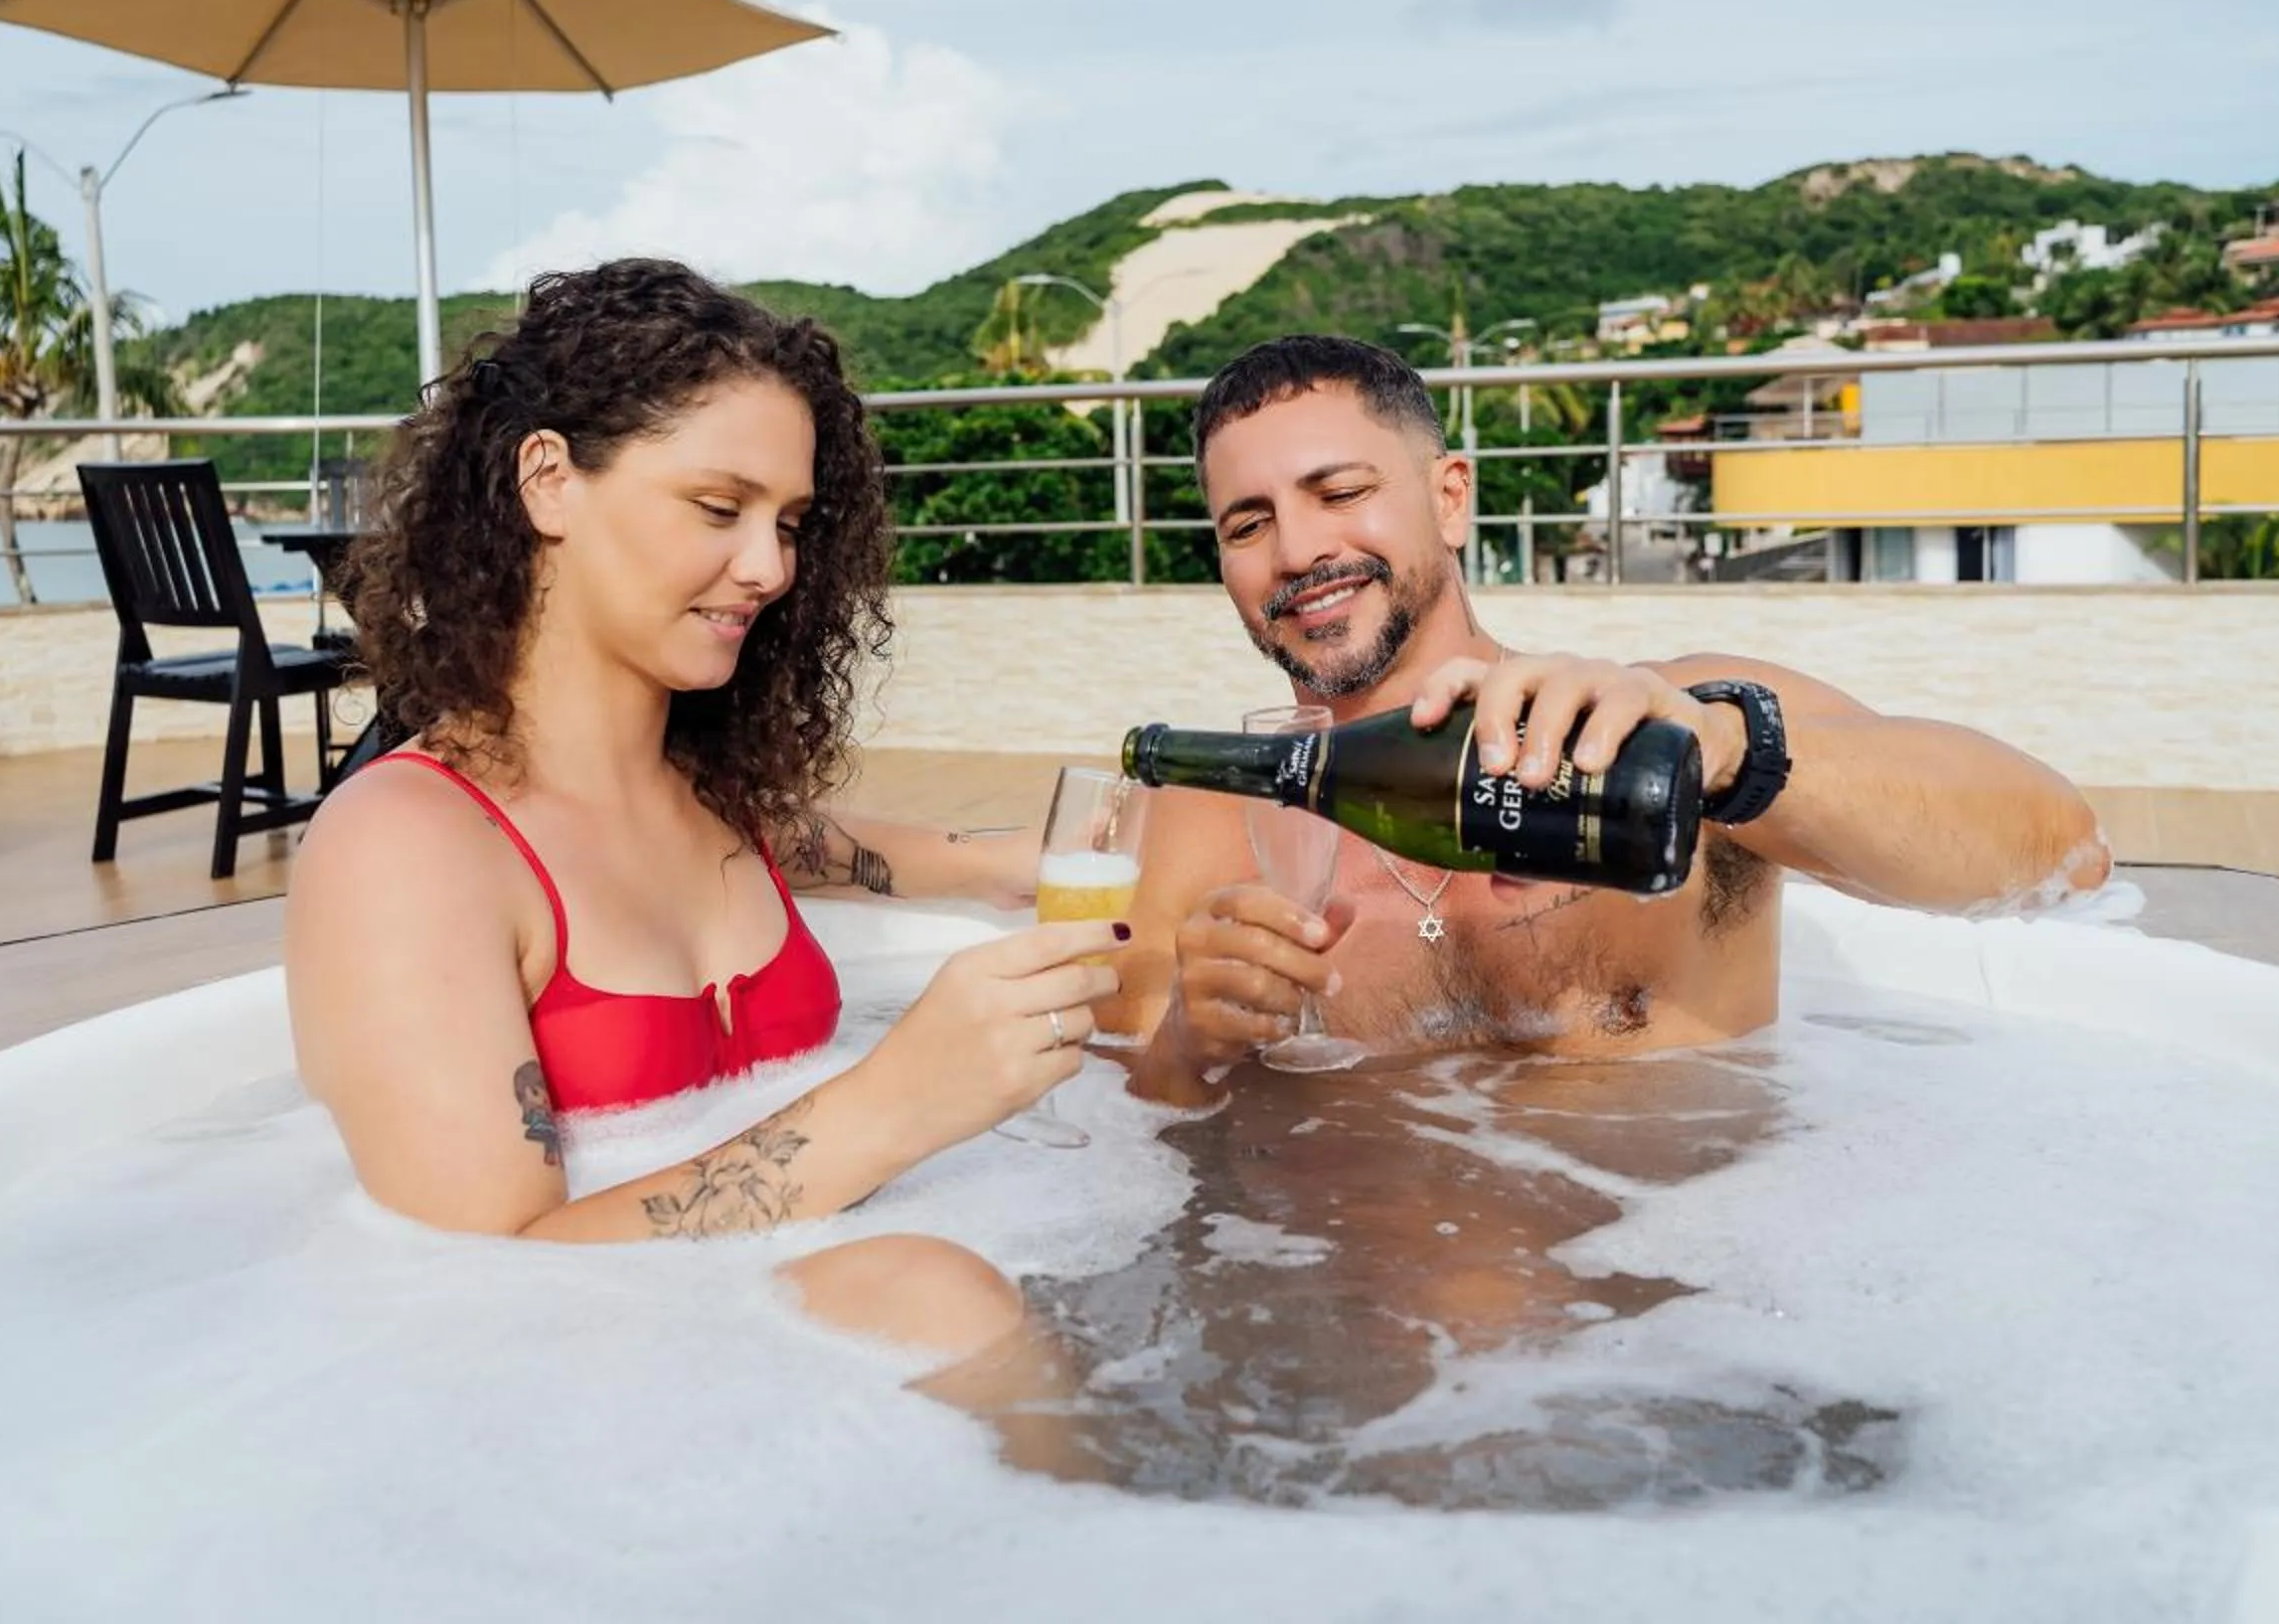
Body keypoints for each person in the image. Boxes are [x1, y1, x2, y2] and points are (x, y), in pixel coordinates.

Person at [285, 260, 1116, 1357]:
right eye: (720, 508)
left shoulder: (707, 797)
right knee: (936, 1293)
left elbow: (835, 845)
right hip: (592, 1383)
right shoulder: (407, 847)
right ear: (548, 480)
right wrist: (893, 1104)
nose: (769, 567)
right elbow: (474, 1285)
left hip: (768, 1335)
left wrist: (1010, 859)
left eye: (792, 522)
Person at [1112, 335, 2108, 1106]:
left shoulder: (1671, 725)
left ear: (1450, 497)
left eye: (1341, 491)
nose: (1299, 548)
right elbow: (1130, 1126)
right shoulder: (1207, 826)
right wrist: (1185, 1047)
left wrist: (1727, 752)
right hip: (1345, 1344)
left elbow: (2063, 854)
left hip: (1696, 1315)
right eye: (1248, 523)